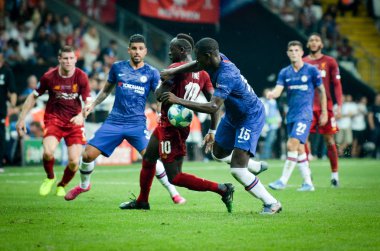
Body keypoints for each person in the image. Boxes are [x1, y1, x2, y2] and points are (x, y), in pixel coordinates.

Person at [159, 37, 281, 214]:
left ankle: (272, 203)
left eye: (200, 58)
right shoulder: (216, 57)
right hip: (233, 115)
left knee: (238, 170)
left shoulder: (227, 74)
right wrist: (173, 72)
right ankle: (254, 166)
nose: (198, 61)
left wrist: (177, 100)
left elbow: (214, 106)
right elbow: (195, 64)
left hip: (250, 116)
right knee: (217, 153)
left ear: (208, 56)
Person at [119, 34, 235, 213]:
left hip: (170, 129)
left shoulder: (175, 68)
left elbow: (159, 95)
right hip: (176, 125)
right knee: (149, 158)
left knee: (175, 177)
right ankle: (142, 201)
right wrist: (212, 129)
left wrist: (161, 83)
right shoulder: (203, 73)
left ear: (181, 51)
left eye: (172, 49)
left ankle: (221, 189)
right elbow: (215, 105)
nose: (169, 52)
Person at [64, 34, 185, 204]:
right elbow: (106, 90)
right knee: (87, 155)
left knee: (151, 158)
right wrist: (93, 104)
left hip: (137, 124)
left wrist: (159, 115)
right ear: (128, 50)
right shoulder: (117, 68)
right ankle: (84, 185)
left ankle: (173, 192)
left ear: (145, 51)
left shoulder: (151, 72)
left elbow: (159, 97)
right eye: (134, 48)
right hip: (114, 121)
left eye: (140, 49)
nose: (137, 52)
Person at [16, 45, 91, 196]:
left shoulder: (81, 76)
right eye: (65, 58)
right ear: (59, 59)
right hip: (54, 119)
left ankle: (62, 184)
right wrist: (21, 119)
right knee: (48, 152)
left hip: (74, 122)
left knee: (74, 162)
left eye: (71, 58)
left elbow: (88, 102)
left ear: (75, 59)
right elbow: (33, 96)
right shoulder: (49, 77)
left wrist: (81, 116)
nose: (68, 61)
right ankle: (50, 177)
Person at [268, 40, 328, 192]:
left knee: (291, 145)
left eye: (296, 50)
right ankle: (308, 183)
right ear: (287, 54)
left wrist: (324, 112)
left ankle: (283, 180)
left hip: (305, 114)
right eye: (291, 51)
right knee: (300, 149)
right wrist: (271, 94)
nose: (294, 53)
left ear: (302, 52)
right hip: (292, 116)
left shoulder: (311, 71)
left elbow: (321, 91)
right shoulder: (285, 72)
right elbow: (278, 90)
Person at [303, 33, 343, 187]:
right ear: (308, 44)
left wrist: (339, 105)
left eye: (317, 40)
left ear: (322, 44)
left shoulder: (330, 61)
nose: (314, 42)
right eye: (311, 40)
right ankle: (307, 176)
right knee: (303, 140)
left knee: (329, 140)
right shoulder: (303, 62)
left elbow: (337, 84)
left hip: (325, 107)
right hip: (307, 107)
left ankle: (335, 176)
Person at [0, 51, 17, 173]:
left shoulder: (7, 72)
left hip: (0, 109)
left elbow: (13, 91)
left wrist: (12, 105)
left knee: (0, 136)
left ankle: (0, 163)